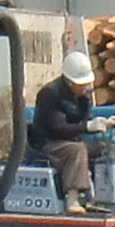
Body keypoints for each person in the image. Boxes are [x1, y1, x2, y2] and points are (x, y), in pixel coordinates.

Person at [29, 46, 99, 208]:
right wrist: (87, 127)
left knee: (106, 149)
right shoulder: (50, 94)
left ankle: (99, 196)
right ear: (69, 81)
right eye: (81, 84)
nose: (85, 88)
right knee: (77, 150)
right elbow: (57, 128)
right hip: (48, 143)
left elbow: (86, 118)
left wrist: (103, 123)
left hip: (71, 139)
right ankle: (72, 198)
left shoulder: (83, 96)